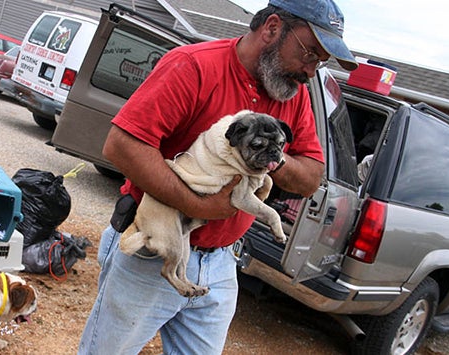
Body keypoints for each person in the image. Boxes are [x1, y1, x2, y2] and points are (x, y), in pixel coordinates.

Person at [78, 0, 358, 354]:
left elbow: (310, 178)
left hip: (222, 262)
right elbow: (122, 146)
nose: (311, 70)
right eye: (309, 53)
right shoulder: (194, 66)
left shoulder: (294, 96)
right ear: (272, 28)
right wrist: (198, 205)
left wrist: (270, 155)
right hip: (153, 251)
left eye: (321, 61)